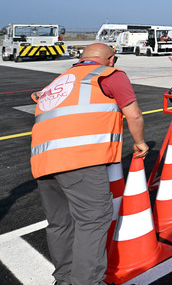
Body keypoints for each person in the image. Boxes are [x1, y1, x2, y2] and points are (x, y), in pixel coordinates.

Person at [30, 43, 148, 285]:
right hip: (80, 158)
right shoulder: (109, 75)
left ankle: (63, 279)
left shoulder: (59, 81)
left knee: (60, 223)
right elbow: (133, 114)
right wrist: (140, 143)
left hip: (42, 162)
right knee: (94, 219)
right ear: (111, 59)